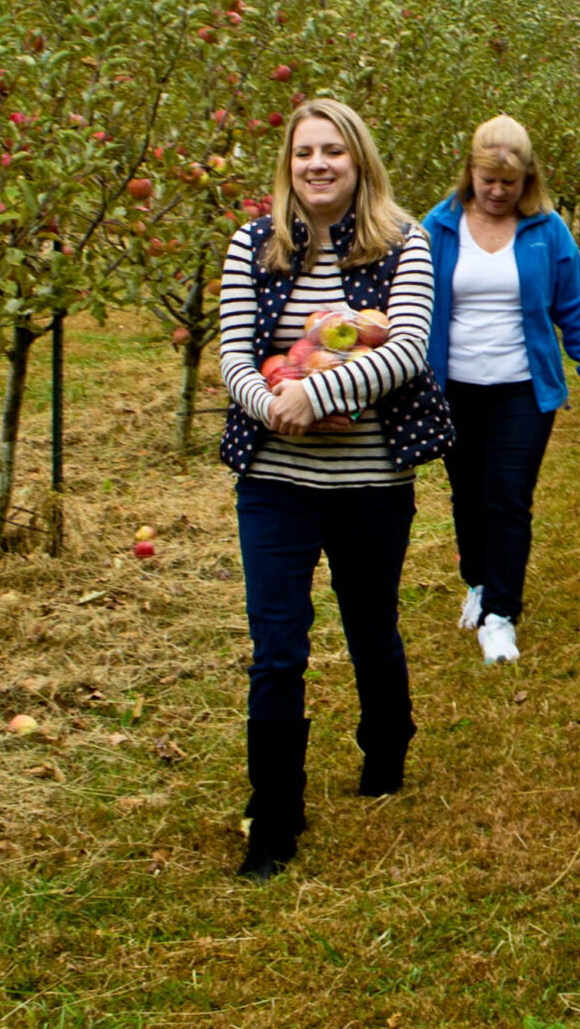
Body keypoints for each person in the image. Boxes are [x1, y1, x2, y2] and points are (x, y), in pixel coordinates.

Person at [217, 98, 454, 880]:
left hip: (369, 481)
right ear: (288, 165)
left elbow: (410, 349)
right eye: (303, 153)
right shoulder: (253, 246)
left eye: (334, 152)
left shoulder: (404, 243)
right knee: (276, 647)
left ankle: (387, 740)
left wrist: (317, 392)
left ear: (360, 162)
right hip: (276, 479)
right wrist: (276, 404)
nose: (317, 165)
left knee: (369, 625)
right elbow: (232, 360)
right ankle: (275, 814)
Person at [423, 115, 580, 666]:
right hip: (452, 387)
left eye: (510, 182)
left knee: (507, 498)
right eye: (489, 181)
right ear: (471, 173)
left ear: (528, 178)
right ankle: (478, 582)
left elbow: (572, 304)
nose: (499, 192)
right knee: (467, 496)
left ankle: (500, 615)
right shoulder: (438, 227)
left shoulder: (547, 231)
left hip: (521, 390)